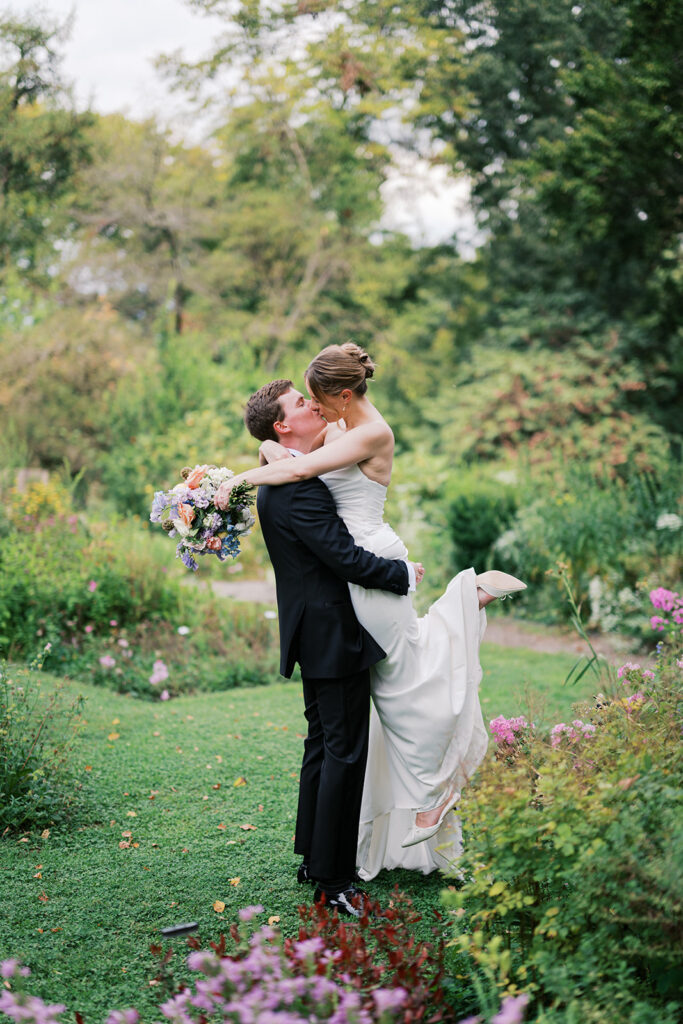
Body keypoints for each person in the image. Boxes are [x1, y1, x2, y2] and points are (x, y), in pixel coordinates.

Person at [216, 345, 526, 879]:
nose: (314, 409)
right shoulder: (335, 432)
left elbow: (297, 466)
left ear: (340, 394)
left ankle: (436, 788)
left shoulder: (366, 434)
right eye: (303, 403)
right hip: (356, 580)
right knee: (396, 685)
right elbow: (284, 456)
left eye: (315, 399)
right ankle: (465, 604)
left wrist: (234, 482)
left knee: (404, 682)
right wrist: (263, 456)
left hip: (370, 567)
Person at [228, 378, 418, 915]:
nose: (314, 404)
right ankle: (334, 882)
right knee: (344, 751)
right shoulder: (298, 487)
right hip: (332, 631)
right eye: (299, 403)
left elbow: (287, 449)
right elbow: (345, 559)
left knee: (323, 744)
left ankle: (315, 858)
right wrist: (402, 573)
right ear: (284, 426)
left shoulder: (288, 472)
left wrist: (270, 447)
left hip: (315, 629)